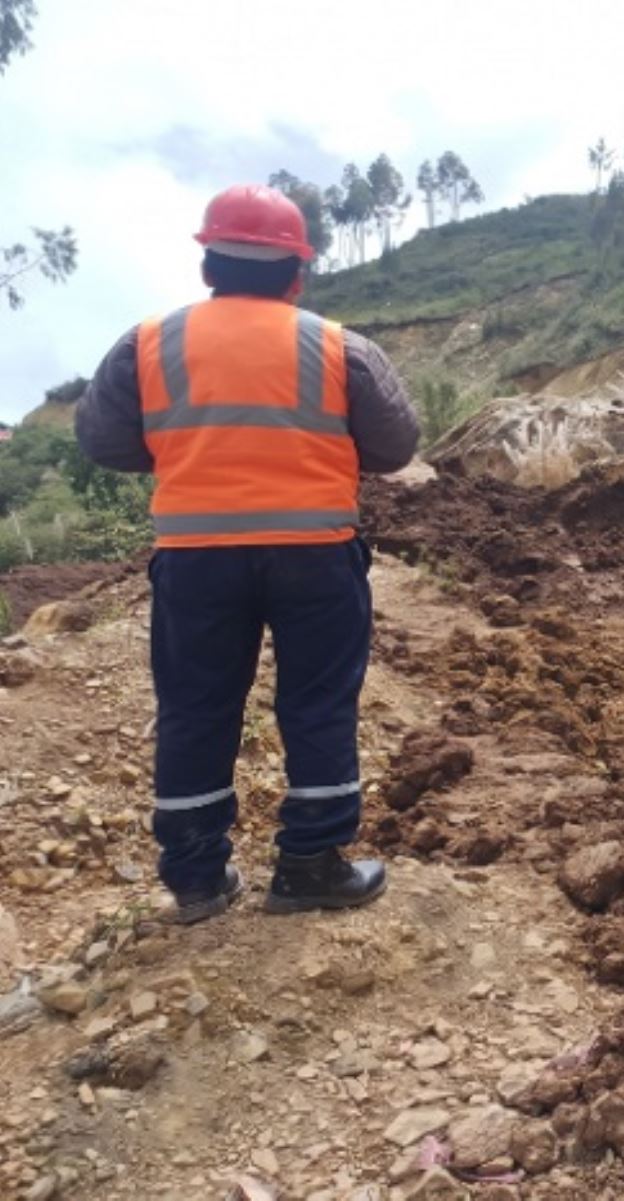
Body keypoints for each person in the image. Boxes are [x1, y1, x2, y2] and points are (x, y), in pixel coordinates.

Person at [75, 184, 420, 925]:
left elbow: (102, 440)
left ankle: (197, 878)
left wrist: (191, 450)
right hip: (315, 556)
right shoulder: (338, 346)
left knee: (195, 706)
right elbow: (397, 446)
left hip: (197, 558)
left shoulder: (146, 344)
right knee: (318, 701)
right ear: (297, 272)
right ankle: (309, 866)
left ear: (208, 264)